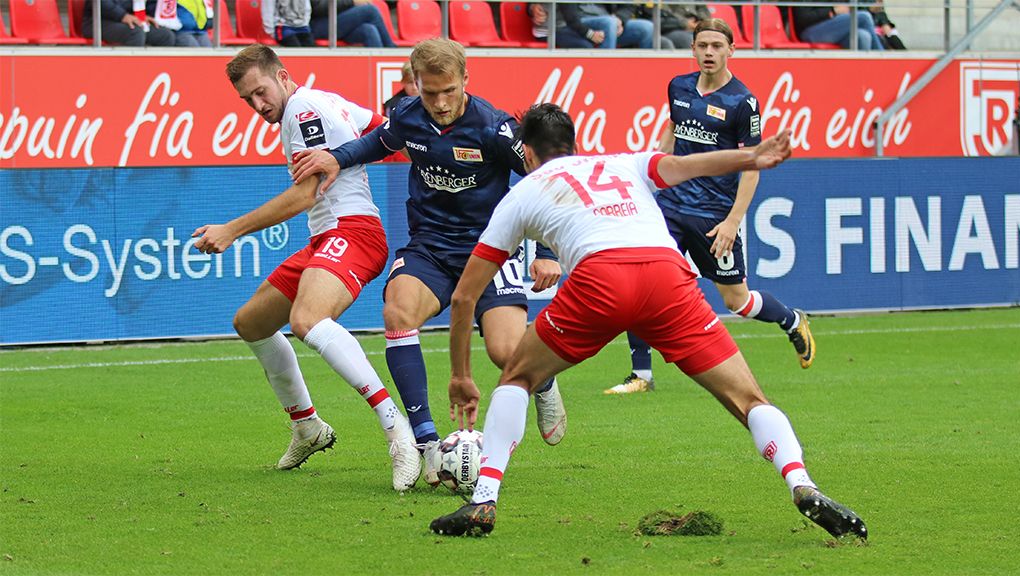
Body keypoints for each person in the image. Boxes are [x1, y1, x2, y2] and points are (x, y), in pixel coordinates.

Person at [428, 103, 867, 542]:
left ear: (525, 152)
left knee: (517, 377)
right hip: (666, 277)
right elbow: (689, 165)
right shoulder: (625, 164)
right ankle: (801, 482)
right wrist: (751, 156)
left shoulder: (523, 193)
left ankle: (484, 499)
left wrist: (461, 375)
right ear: (574, 145)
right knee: (749, 399)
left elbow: (465, 296)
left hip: (600, 279)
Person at [289, 39, 568, 485]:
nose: (439, 103)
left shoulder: (495, 129)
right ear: (416, 84)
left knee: (506, 353)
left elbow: (547, 179)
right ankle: (424, 443)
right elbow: (376, 143)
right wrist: (335, 158)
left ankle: (546, 383)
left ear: (465, 80)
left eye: (449, 91)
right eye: (430, 92)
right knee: (398, 312)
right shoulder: (407, 115)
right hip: (431, 247)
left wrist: (549, 252)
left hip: (491, 250)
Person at [192, 45, 420, 491]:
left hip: (353, 232)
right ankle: (307, 426)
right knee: (251, 322)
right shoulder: (326, 100)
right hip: (327, 237)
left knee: (308, 319)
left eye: (261, 91)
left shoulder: (303, 111)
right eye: (247, 99)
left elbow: (305, 194)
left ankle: (398, 431)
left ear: (282, 76)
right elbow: (383, 132)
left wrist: (232, 230)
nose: (258, 105)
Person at [607, 18, 814, 396]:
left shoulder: (742, 102)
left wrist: (733, 221)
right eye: (702, 45)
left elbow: (752, 165)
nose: (709, 52)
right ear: (693, 48)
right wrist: (650, 177)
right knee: (639, 283)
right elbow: (673, 131)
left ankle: (791, 319)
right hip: (671, 206)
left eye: (717, 46)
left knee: (738, 301)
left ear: (731, 50)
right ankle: (642, 375)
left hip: (713, 217)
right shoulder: (678, 86)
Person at [529, 3, 653, 49]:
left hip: (607, 20)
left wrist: (619, 18)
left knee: (647, 28)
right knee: (608, 23)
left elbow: (628, 5)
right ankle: (605, 73)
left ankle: (646, 81)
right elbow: (571, 18)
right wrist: (531, 7)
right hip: (575, 24)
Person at [791, 0, 884, 50]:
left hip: (836, 30)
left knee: (863, 36)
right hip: (810, 31)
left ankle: (862, 78)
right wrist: (832, 11)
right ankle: (884, 64)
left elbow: (853, 8)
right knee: (864, 17)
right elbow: (802, 18)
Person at [82, 0, 177, 46]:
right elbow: (102, 3)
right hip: (96, 22)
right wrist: (122, 15)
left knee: (165, 35)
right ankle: (132, 73)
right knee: (135, 33)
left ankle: (155, 74)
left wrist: (142, 17)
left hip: (124, 20)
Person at [310, 0, 397, 47]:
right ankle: (392, 54)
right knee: (371, 11)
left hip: (340, 21)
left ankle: (378, 68)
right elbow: (318, 7)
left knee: (369, 30)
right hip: (318, 25)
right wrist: (352, 2)